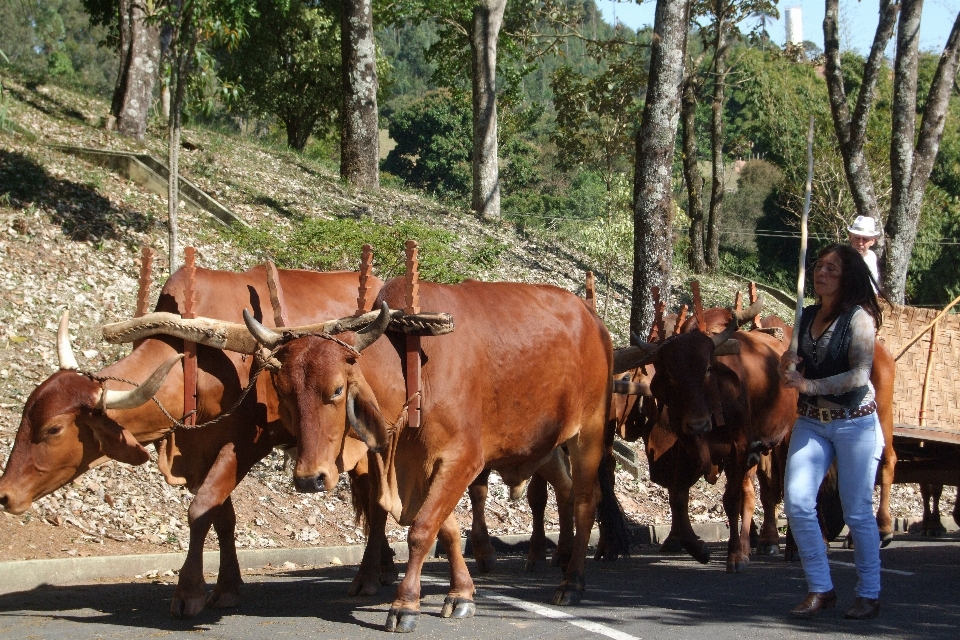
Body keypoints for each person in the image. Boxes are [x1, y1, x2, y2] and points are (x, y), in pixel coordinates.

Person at [780, 243, 885, 620]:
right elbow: (790, 368)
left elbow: (859, 375)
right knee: (796, 502)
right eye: (818, 266)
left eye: (831, 269)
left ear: (847, 278)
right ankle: (820, 588)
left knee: (857, 511)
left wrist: (807, 386)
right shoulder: (805, 316)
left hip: (856, 421)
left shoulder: (860, 319)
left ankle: (869, 593)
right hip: (812, 422)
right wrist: (785, 363)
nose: (820, 273)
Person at [847, 215, 881, 290]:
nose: (860, 243)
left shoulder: (871, 258)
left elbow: (873, 290)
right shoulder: (841, 258)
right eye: (857, 238)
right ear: (850, 237)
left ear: (872, 241)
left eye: (865, 239)